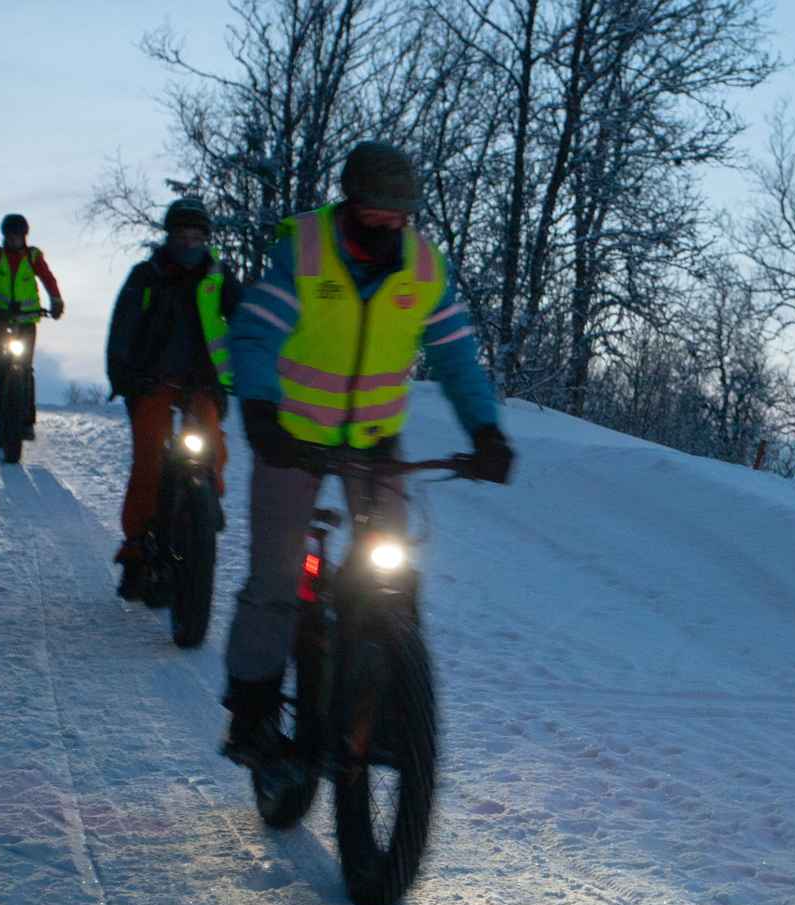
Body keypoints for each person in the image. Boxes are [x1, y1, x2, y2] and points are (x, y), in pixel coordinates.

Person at [220, 141, 515, 763]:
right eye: (374, 210)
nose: (385, 222)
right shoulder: (303, 250)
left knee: (393, 576)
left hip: (377, 441)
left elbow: (457, 355)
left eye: (398, 213)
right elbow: (254, 334)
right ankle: (251, 717)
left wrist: (485, 431)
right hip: (291, 435)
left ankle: (380, 708)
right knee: (275, 580)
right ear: (349, 202)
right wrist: (260, 411)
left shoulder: (425, 270)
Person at [106, 197, 242, 601]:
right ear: (168, 237)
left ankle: (205, 506)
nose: (189, 243)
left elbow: (247, 323)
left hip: (204, 382)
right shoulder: (146, 276)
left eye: (196, 236)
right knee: (149, 459)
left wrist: (254, 368)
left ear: (207, 239)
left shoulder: (220, 279)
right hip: (153, 382)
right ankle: (135, 549)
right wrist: (123, 374)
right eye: (181, 235)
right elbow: (123, 328)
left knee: (211, 445)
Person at [0, 214, 64, 437]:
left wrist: (56, 300)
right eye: (11, 236)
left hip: (27, 318)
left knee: (25, 368)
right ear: (5, 237)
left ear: (25, 236)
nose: (15, 240)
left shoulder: (33, 256)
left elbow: (47, 278)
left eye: (19, 236)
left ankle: (27, 422)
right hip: (0, 314)